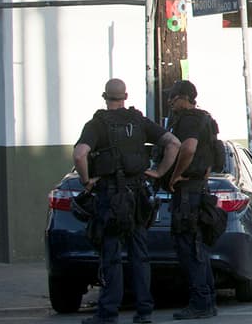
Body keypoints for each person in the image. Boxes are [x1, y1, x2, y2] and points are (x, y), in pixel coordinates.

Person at [72, 78, 179, 324]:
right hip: (137, 196)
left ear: (104, 97)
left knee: (111, 255)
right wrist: (159, 172)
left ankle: (108, 313)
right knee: (139, 255)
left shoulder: (97, 124)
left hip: (110, 198)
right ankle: (144, 311)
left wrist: (86, 180)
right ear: (126, 97)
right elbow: (174, 143)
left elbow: (79, 154)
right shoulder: (139, 121)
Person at [164, 80, 220, 320]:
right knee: (198, 249)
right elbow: (211, 157)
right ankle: (207, 300)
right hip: (199, 190)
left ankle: (200, 302)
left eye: (173, 97)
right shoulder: (206, 120)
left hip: (187, 192)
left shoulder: (189, 120)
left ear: (184, 97)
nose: (170, 102)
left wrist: (175, 175)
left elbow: (188, 148)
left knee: (189, 248)